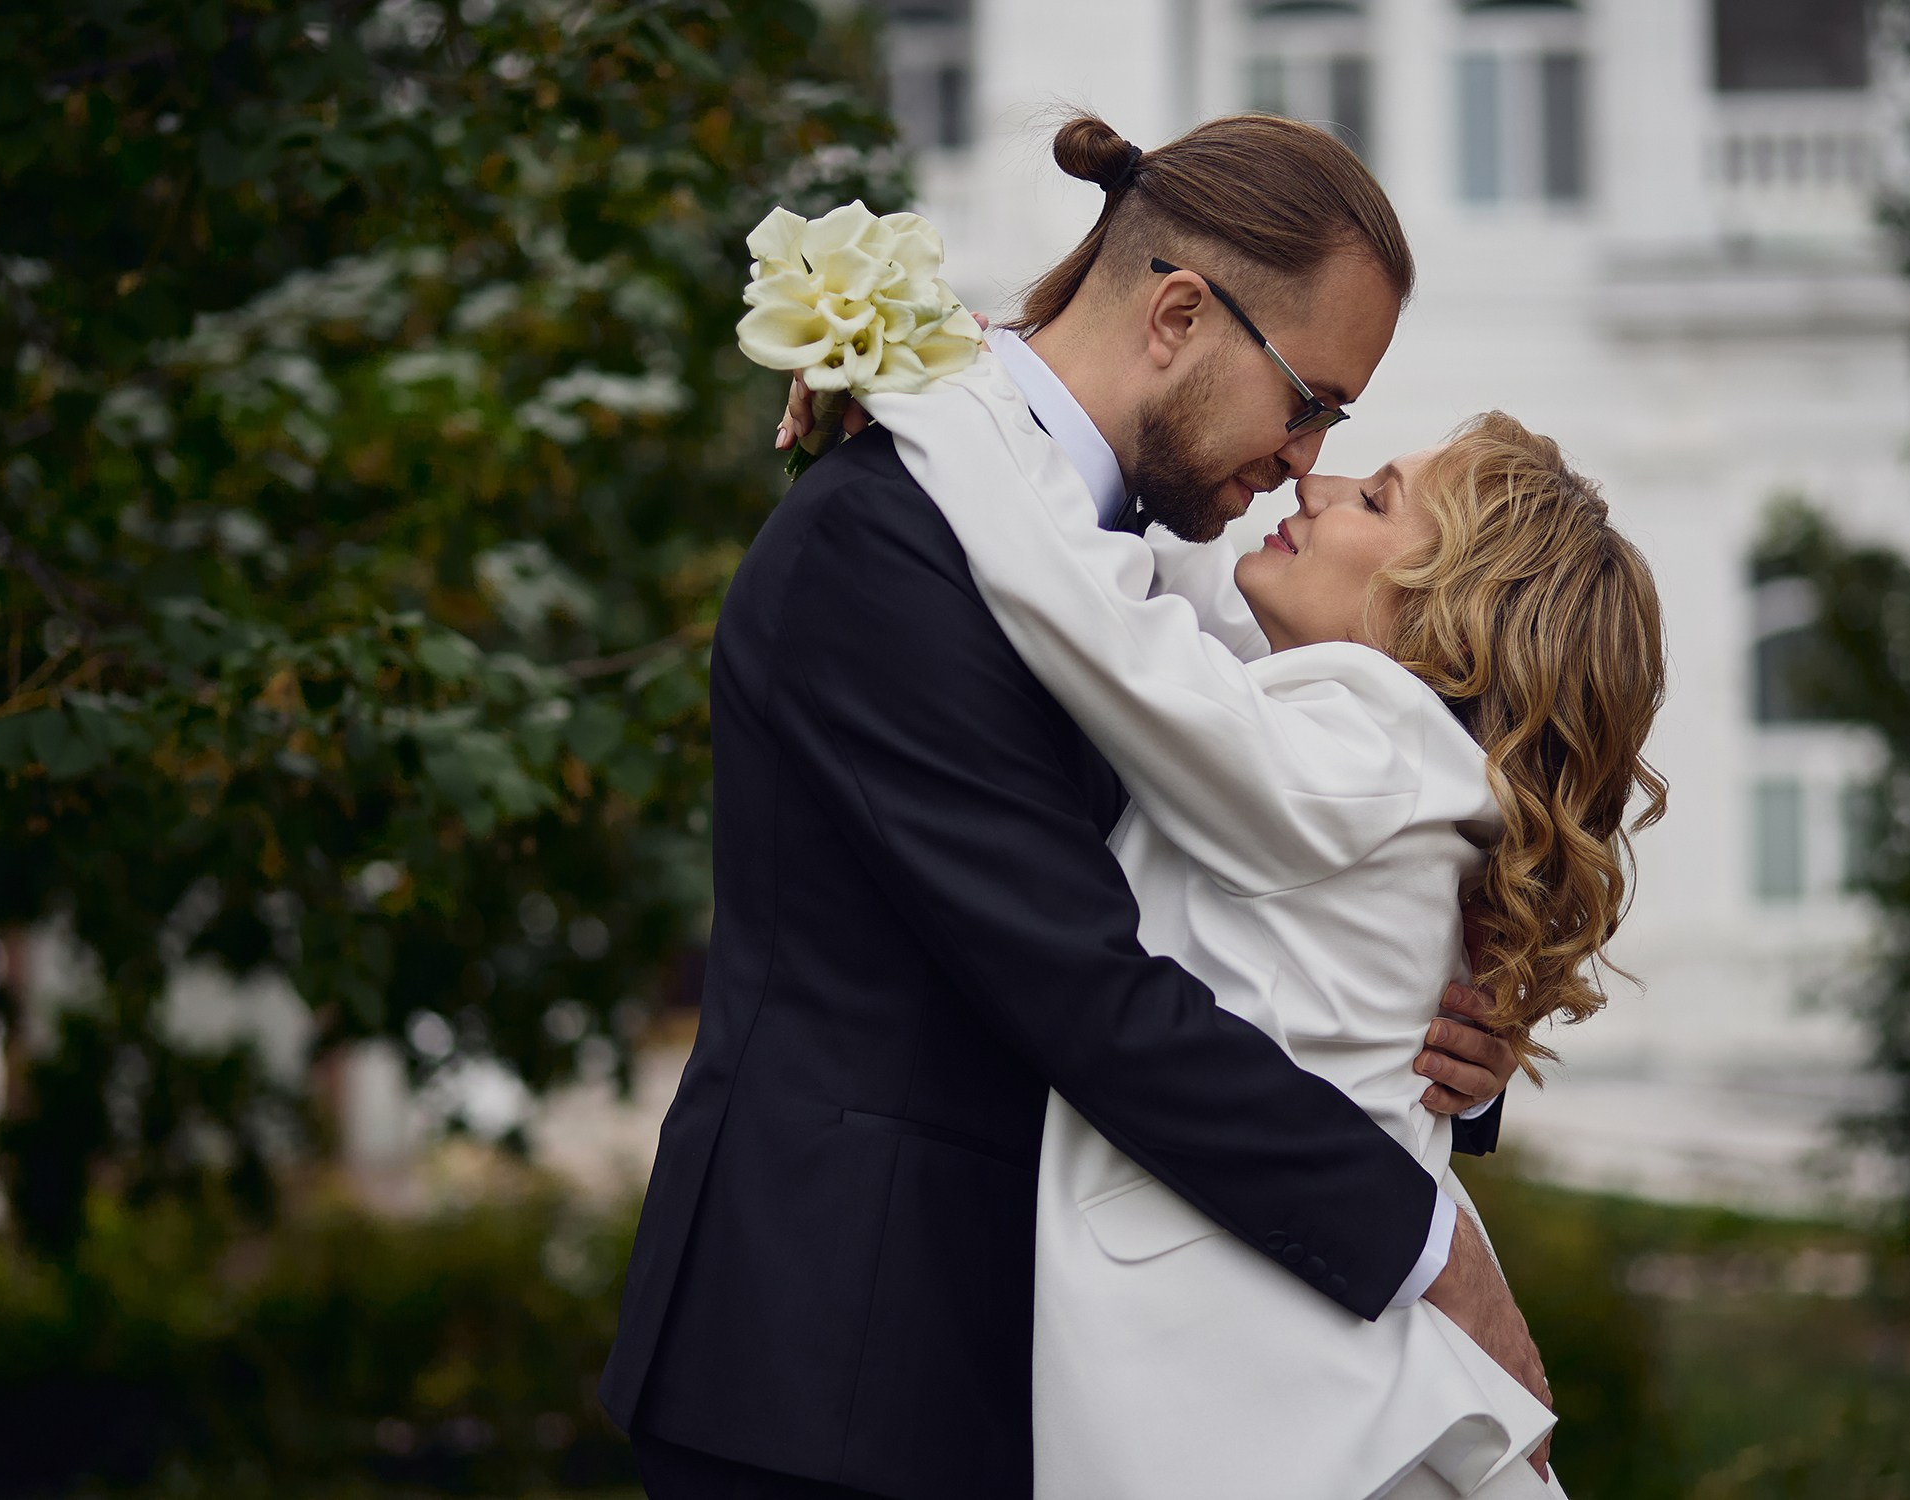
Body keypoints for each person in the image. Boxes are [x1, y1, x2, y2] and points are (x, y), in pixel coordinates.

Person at [600, 115, 1543, 1500]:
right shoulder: (889, 540)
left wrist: (1446, 1031)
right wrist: (1425, 1245)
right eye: (1309, 402)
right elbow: (1090, 995)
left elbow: (1271, 892)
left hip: (982, 1375)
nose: (1304, 459)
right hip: (831, 1371)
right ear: (1176, 314)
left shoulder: (1120, 579)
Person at [866, 351, 1666, 1494]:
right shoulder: (1372, 753)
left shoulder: (1367, 751)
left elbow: (1094, 617)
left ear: (1449, 626)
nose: (1318, 484)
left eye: (1376, 499)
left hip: (1276, 1407)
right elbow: (1157, 588)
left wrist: (921, 381)